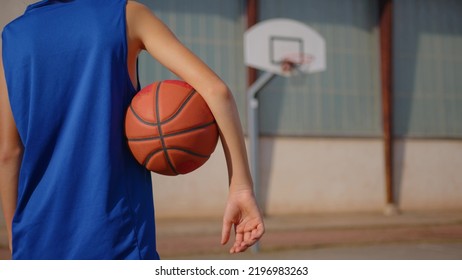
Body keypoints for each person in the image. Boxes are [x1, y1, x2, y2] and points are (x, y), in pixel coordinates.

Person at [0, 0, 264, 259]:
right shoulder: (126, 15)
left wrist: (16, 236)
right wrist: (241, 187)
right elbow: (216, 91)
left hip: (34, 241)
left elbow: (9, 153)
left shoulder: (13, 36)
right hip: (114, 237)